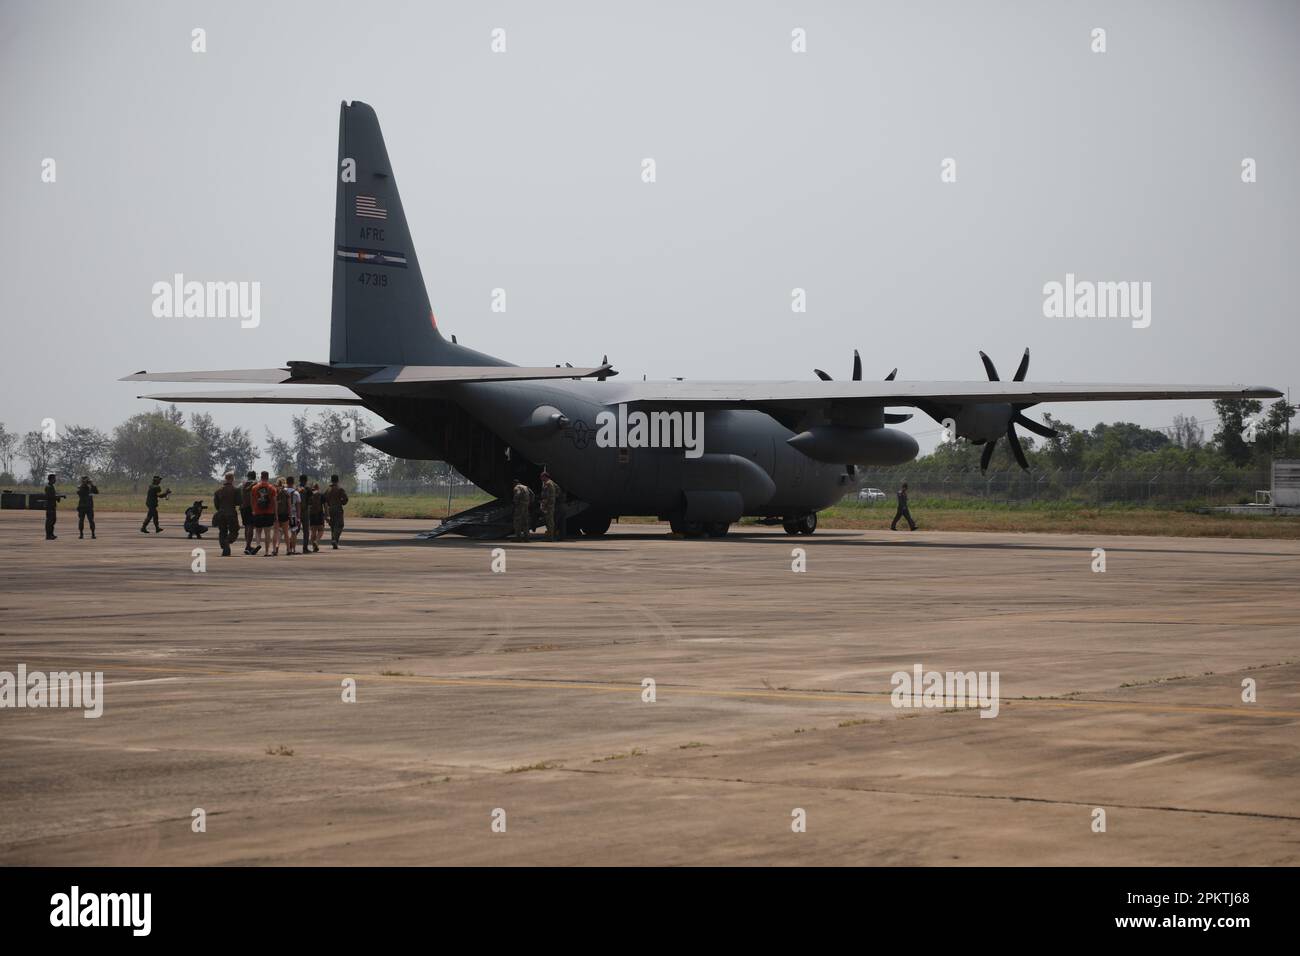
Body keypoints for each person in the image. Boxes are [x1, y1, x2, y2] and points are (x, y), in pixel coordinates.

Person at [249, 471, 277, 557]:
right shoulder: (272, 488)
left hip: (258, 512)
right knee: (267, 532)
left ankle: (258, 544)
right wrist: (275, 513)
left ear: (261, 477)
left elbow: (252, 500)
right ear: (268, 477)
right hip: (269, 512)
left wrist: (253, 510)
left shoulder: (254, 488)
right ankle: (267, 552)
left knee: (258, 531)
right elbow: (274, 502)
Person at [213, 473, 241, 557]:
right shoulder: (236, 490)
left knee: (222, 531)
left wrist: (221, 509)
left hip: (221, 513)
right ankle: (227, 541)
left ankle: (224, 546)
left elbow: (216, 505)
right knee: (234, 531)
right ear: (232, 479)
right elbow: (239, 502)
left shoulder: (218, 491)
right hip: (231, 513)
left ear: (225, 479)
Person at [323, 474, 348, 549]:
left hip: (330, 508)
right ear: (337, 480)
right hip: (338, 508)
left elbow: (324, 500)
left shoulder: (328, 490)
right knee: (340, 524)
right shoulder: (340, 489)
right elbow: (346, 499)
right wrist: (342, 503)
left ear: (331, 480)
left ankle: (334, 542)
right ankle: (335, 539)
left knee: (333, 526)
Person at [240, 470, 260, 554]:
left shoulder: (242, 484)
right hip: (250, 507)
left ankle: (247, 545)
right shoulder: (255, 484)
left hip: (242, 507)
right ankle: (248, 546)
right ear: (254, 476)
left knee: (246, 526)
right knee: (250, 526)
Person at [540, 471, 564, 542]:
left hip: (548, 505)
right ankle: (551, 536)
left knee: (549, 521)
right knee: (550, 521)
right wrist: (554, 497)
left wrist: (544, 504)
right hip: (551, 504)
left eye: (542, 477)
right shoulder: (552, 483)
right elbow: (558, 491)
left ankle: (550, 537)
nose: (541, 478)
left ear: (545, 477)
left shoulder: (548, 484)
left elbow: (547, 496)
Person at [272, 477, 290, 556]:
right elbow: (289, 505)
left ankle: (275, 548)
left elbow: (274, 504)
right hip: (285, 514)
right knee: (286, 533)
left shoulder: (275, 491)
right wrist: (289, 513)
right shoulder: (286, 492)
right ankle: (288, 549)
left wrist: (275, 514)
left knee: (275, 532)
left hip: (276, 514)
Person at [511, 477, 533, 541]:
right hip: (526, 506)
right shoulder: (526, 487)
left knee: (517, 521)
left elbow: (518, 494)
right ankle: (527, 538)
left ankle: (518, 538)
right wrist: (529, 502)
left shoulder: (517, 487)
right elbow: (532, 495)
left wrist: (515, 502)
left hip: (520, 506)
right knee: (525, 522)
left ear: (514, 483)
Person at [285, 475, 302, 555]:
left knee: (282, 532)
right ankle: (293, 549)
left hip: (284, 514)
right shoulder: (296, 493)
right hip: (293, 515)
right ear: (293, 482)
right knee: (293, 532)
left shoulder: (283, 491)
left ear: (286, 482)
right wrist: (299, 518)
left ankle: (277, 548)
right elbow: (298, 507)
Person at [307, 481, 325, 553]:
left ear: (313, 488)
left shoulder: (310, 495)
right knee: (321, 530)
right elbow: (325, 506)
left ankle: (314, 547)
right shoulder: (321, 495)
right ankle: (316, 542)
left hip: (312, 515)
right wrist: (327, 515)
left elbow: (308, 506)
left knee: (313, 531)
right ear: (318, 488)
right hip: (320, 514)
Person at [43, 473, 60, 540]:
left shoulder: (51, 486)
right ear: (51, 479)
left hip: (52, 505)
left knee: (53, 520)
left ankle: (51, 534)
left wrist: (57, 497)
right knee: (50, 521)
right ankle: (48, 535)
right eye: (54, 478)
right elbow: (50, 496)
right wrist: (57, 497)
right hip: (50, 506)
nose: (55, 480)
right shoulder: (48, 487)